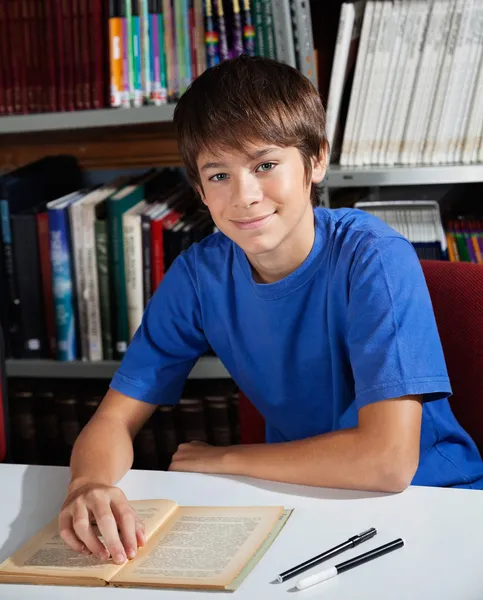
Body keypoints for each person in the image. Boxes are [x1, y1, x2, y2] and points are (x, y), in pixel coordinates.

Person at [58, 55, 483, 565]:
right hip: (300, 498)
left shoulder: (373, 256)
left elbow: (388, 461)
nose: (246, 196)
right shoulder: (199, 275)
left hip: (432, 504)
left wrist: (224, 459)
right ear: (199, 189)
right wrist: (87, 484)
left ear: (316, 160)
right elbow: (114, 420)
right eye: (219, 175)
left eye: (265, 165)